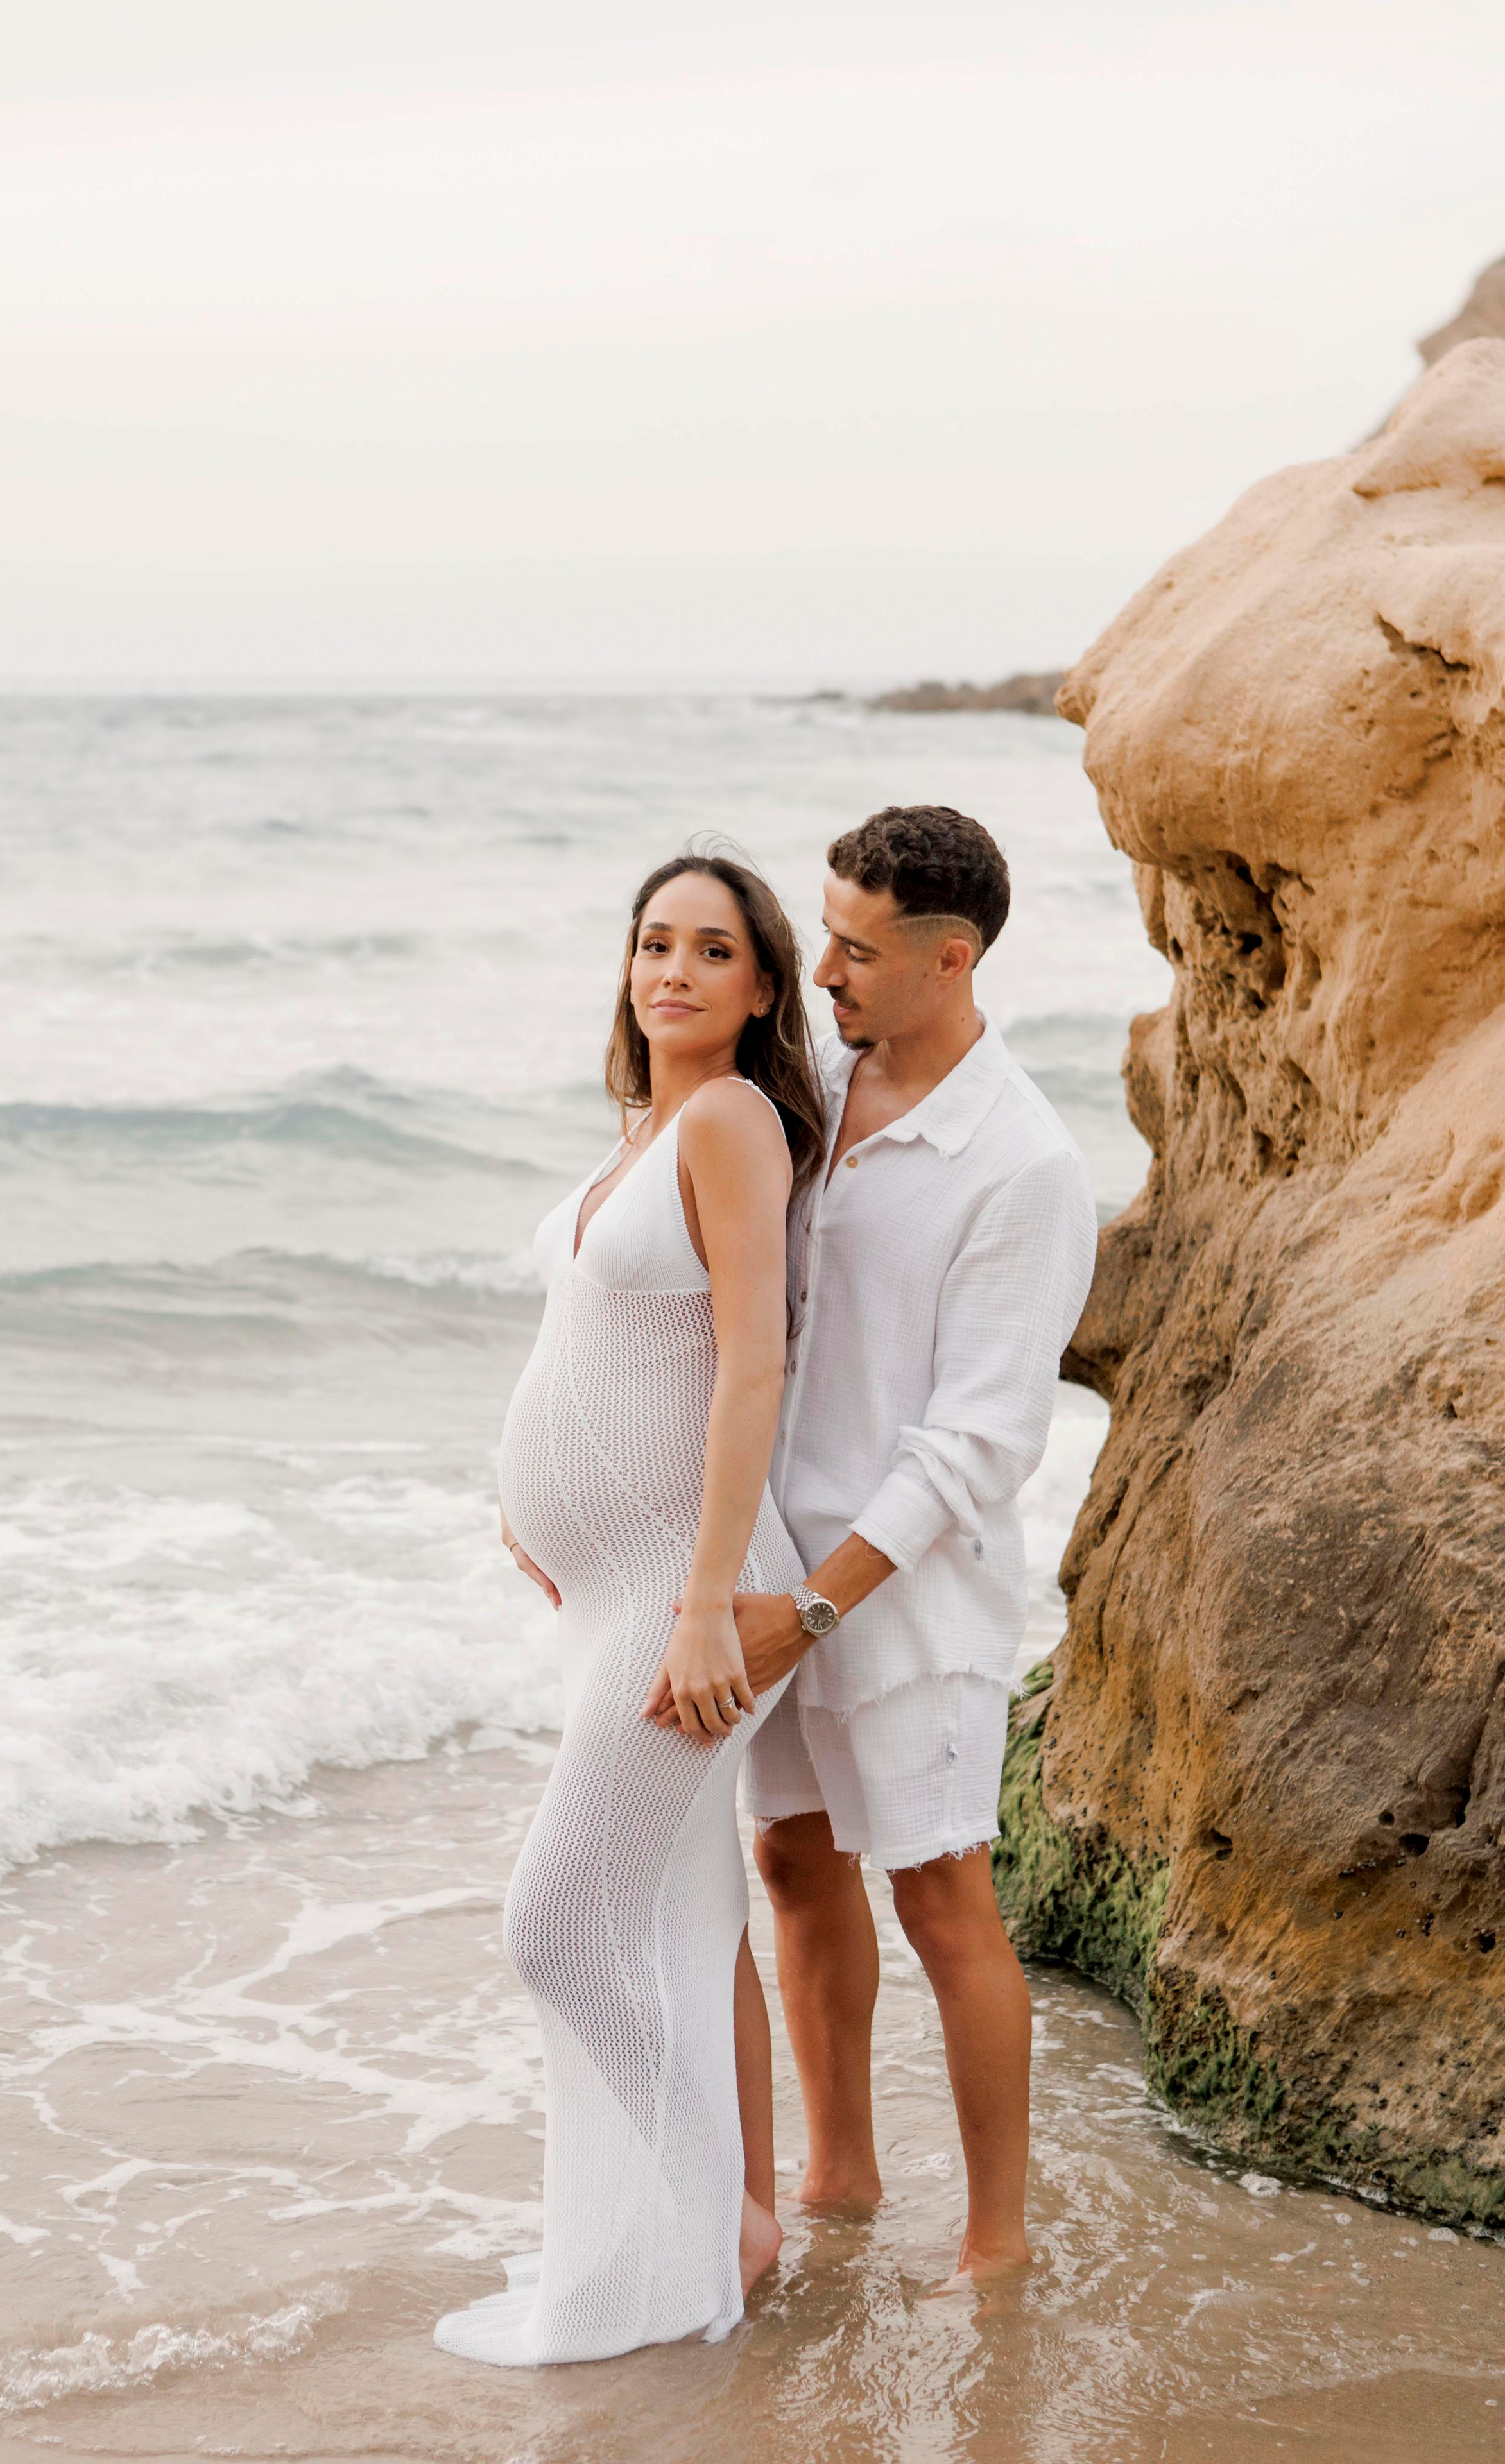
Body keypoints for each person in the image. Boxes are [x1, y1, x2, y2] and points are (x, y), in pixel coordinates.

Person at [651, 804, 1097, 2285]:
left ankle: (992, 2246)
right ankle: (835, 2176)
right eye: (821, 931)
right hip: (772, 1560)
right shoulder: (811, 1082)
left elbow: (978, 1444)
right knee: (788, 1862)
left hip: (903, 1598)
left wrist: (815, 1613)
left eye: (853, 947)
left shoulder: (1021, 1162)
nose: (820, 964)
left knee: (939, 1893)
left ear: (948, 958)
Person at [434, 850, 825, 2366]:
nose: (670, 970)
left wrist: (709, 1602)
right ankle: (697, 2223)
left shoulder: (727, 1122)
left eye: (709, 950)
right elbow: (597, 1340)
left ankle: (711, 2215)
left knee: (557, 1923)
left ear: (760, 987)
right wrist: (534, 1501)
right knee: (666, 1911)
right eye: (652, 942)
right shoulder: (644, 1127)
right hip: (610, 1580)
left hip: (686, 1586)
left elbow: (750, 1366)